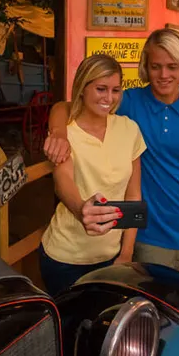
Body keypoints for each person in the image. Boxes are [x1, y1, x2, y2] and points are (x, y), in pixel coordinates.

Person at [44, 29, 179, 283]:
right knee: (144, 317)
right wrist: (58, 132)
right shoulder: (127, 101)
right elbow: (68, 105)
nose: (164, 75)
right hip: (144, 237)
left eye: (172, 66)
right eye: (156, 66)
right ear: (146, 66)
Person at [38, 54, 146, 294]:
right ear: (82, 88)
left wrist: (126, 252)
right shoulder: (67, 132)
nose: (109, 98)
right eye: (101, 89)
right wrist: (80, 209)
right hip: (65, 257)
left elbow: (134, 194)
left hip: (112, 256)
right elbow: (62, 180)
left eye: (116, 90)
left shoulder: (129, 129)